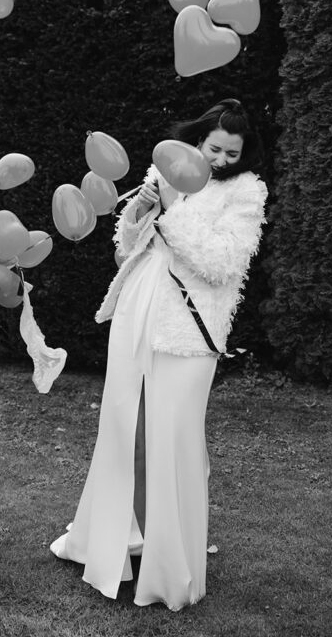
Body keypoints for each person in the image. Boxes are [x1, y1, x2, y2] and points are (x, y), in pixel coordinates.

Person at [50, 98, 267, 611]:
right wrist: (140, 210)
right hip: (136, 313)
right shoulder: (164, 171)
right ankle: (111, 539)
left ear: (244, 155)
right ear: (197, 140)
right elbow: (129, 249)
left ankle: (172, 563)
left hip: (188, 332)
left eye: (231, 153)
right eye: (213, 147)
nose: (219, 159)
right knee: (125, 429)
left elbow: (221, 262)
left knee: (175, 438)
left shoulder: (246, 193)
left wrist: (172, 210)